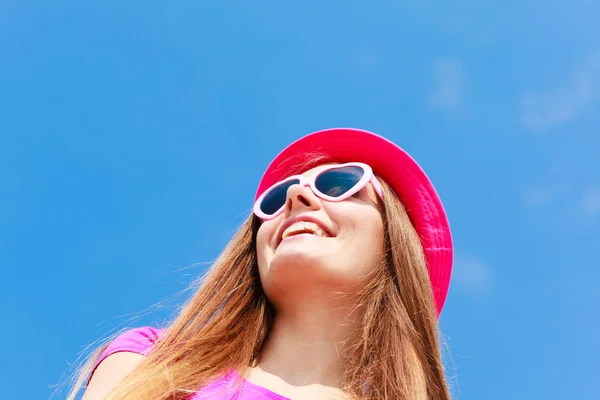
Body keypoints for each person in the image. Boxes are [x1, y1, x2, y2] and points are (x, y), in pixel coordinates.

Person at [68, 128, 454, 400]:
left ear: (395, 244)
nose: (298, 196)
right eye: (276, 199)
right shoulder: (151, 361)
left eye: (339, 184)